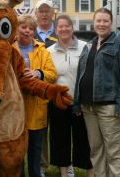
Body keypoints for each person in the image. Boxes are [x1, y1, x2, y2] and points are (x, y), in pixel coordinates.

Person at [73, 8, 120, 176]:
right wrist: (77, 103)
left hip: (109, 108)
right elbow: (80, 75)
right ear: (94, 22)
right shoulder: (89, 45)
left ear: (111, 23)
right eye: (98, 21)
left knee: (114, 152)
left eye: (105, 21)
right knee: (96, 150)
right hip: (87, 108)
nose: (101, 24)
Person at [47, 15, 93, 177]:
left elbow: (89, 75)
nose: (64, 29)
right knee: (60, 139)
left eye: (67, 26)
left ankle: (90, 172)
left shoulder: (85, 47)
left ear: (72, 28)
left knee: (84, 139)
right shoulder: (49, 51)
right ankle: (64, 172)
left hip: (79, 103)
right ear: (56, 30)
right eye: (60, 26)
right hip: (59, 104)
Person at [15, 14, 57, 177]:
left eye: (31, 28)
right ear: (17, 29)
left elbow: (52, 74)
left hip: (36, 106)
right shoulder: (9, 47)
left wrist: (38, 73)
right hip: (15, 108)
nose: (27, 31)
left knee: (35, 149)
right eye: (23, 27)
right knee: (17, 151)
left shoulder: (42, 50)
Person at [33, 0, 59, 176]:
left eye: (47, 11)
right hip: (37, 93)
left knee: (58, 130)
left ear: (52, 13)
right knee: (39, 131)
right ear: (35, 14)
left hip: (57, 89)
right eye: (40, 11)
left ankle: (62, 163)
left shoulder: (61, 33)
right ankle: (41, 166)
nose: (44, 14)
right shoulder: (28, 34)